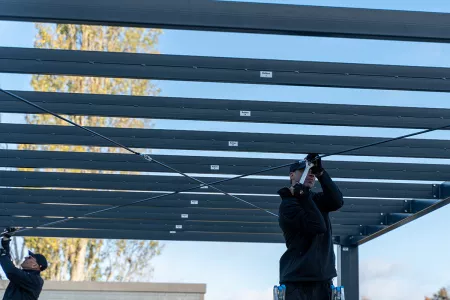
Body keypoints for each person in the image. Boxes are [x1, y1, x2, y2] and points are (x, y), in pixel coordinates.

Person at [277, 153, 344, 300]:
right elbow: (317, 226)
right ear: (292, 175)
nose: (310, 175)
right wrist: (303, 196)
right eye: (305, 171)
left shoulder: (315, 199)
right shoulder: (288, 205)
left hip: (323, 281)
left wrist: (321, 173)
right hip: (297, 282)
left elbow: (337, 201)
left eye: (312, 172)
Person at [0, 228, 47, 300]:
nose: (25, 258)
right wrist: (6, 240)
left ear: (34, 265)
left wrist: (2, 255)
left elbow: (11, 271)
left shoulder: (36, 280)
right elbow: (10, 265)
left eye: (29, 258)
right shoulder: (24, 276)